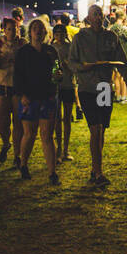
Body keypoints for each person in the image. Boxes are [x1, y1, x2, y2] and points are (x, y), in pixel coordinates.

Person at [66, 4, 127, 186]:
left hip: (104, 87)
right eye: (94, 14)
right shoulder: (80, 38)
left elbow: (121, 60)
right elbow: (71, 62)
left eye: (100, 14)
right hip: (87, 88)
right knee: (94, 129)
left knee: (101, 129)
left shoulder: (111, 37)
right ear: (88, 17)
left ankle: (96, 169)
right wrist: (82, 68)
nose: (97, 17)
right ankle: (98, 171)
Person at [13, 19, 60, 184]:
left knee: (47, 136)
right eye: (34, 28)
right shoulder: (24, 52)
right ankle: (24, 164)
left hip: (47, 97)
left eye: (41, 28)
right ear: (30, 32)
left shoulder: (51, 51)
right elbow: (17, 75)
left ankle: (52, 172)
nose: (38, 31)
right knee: (29, 134)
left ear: (46, 32)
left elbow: (56, 68)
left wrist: (57, 75)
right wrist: (22, 95)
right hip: (29, 98)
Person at [0, 18, 24, 165]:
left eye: (15, 29)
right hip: (1, 85)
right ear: (4, 29)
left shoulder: (22, 43)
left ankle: (17, 155)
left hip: (17, 86)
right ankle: (6, 143)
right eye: (9, 29)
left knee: (18, 121)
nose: (12, 32)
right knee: (3, 121)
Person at [50, 23, 77, 162]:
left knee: (67, 118)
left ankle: (65, 149)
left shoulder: (70, 47)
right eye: (57, 34)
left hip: (68, 85)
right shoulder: (51, 48)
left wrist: (68, 65)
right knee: (56, 119)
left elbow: (76, 66)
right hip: (56, 86)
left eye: (61, 33)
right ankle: (58, 149)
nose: (59, 36)